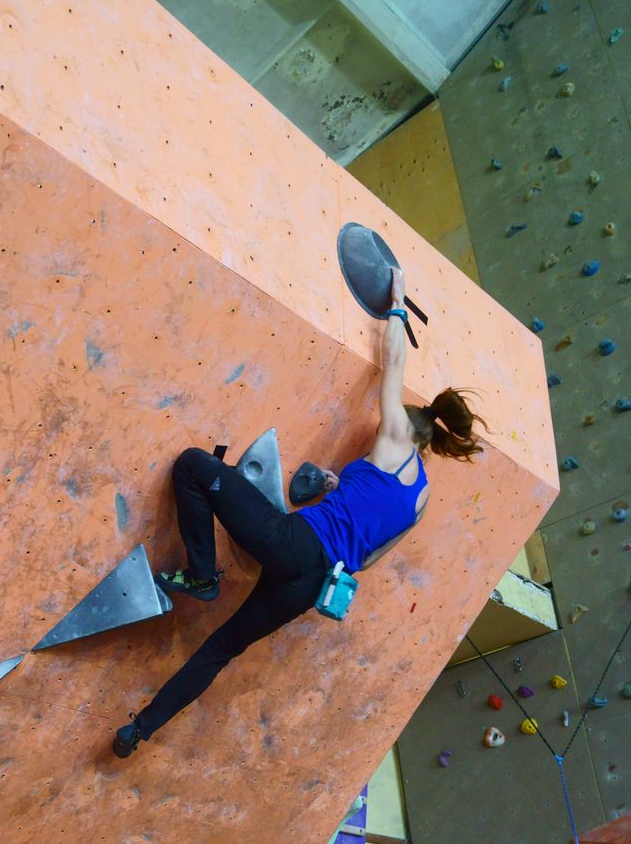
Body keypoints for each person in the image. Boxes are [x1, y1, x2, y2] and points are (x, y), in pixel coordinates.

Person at [113, 267, 487, 758]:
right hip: (314, 585)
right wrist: (337, 490)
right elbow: (367, 556)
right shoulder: (420, 499)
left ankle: (203, 576)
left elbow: (394, 363)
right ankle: (138, 732)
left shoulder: (399, 435)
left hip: (296, 541)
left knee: (192, 466)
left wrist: (397, 302)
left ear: (407, 430)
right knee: (221, 650)